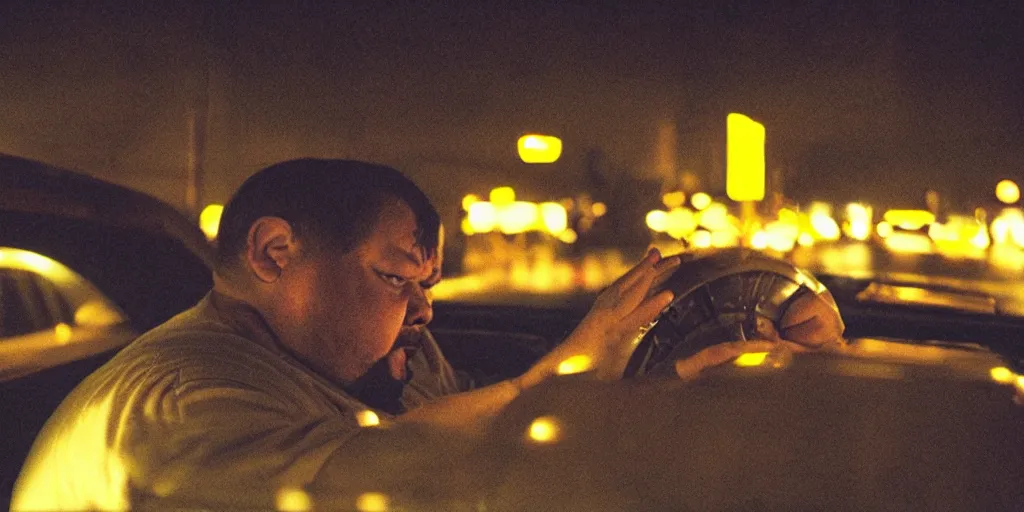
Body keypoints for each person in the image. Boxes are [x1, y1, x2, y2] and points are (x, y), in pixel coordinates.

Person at [13, 159, 842, 510]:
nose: (423, 309)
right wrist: (570, 381)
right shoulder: (175, 400)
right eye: (396, 278)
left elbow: (435, 438)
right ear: (275, 252)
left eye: (427, 285)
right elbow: (396, 484)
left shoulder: (339, 363)